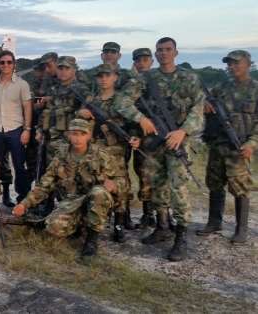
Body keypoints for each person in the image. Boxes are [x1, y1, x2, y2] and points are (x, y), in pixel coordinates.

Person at [115, 37, 205, 261]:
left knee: (178, 187)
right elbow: (121, 101)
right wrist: (141, 118)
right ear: (155, 55)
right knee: (157, 184)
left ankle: (181, 236)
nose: (163, 53)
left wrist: (183, 132)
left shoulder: (188, 78)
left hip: (178, 140)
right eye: (160, 50)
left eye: (167, 50)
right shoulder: (146, 78)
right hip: (154, 142)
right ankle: (163, 226)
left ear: (176, 52)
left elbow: (198, 109)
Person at [12, 119, 117, 261]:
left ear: (88, 136)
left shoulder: (101, 155)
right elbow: (44, 185)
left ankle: (92, 240)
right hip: (71, 203)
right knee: (54, 227)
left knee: (98, 193)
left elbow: (118, 181)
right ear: (68, 135)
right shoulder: (61, 156)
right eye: (74, 133)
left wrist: (114, 186)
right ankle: (79, 225)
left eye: (82, 134)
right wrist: (24, 204)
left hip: (93, 201)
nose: (77, 138)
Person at [197, 50, 257, 243]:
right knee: (214, 183)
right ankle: (214, 222)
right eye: (229, 64)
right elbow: (204, 103)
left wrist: (251, 144)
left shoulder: (255, 89)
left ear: (248, 63)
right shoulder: (221, 88)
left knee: (240, 187)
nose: (232, 67)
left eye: (236, 63)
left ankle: (241, 230)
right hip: (218, 144)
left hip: (240, 147)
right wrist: (205, 106)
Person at [77, 63, 141, 240]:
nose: (103, 79)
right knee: (92, 182)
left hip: (116, 150)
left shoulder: (121, 100)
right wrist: (82, 114)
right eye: (100, 76)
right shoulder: (91, 99)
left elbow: (133, 124)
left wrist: (135, 138)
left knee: (120, 186)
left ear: (115, 77)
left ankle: (118, 224)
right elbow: (80, 122)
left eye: (107, 75)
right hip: (95, 149)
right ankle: (92, 222)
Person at [0, 50, 32, 206]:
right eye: (2, 62)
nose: (5, 65)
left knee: (19, 166)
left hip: (16, 129)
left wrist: (27, 129)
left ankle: (22, 200)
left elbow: (27, 107)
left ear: (14, 64)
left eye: (9, 62)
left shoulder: (22, 84)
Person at [38, 56, 90, 163]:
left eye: (67, 68)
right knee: (52, 172)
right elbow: (46, 113)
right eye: (60, 69)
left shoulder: (81, 90)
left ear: (74, 70)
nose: (63, 72)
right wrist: (39, 130)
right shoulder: (53, 90)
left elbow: (86, 115)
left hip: (71, 142)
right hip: (52, 140)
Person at [130, 47, 156, 227]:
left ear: (151, 61)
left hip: (162, 137)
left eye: (145, 60)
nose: (142, 63)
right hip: (140, 138)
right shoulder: (132, 85)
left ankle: (165, 215)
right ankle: (148, 215)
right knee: (143, 175)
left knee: (163, 178)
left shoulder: (159, 81)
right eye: (138, 60)